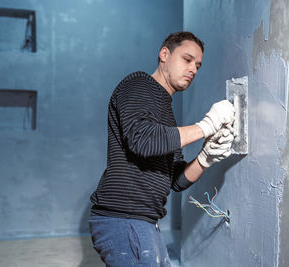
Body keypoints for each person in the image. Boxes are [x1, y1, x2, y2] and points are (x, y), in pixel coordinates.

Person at [89, 31, 236, 267]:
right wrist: (206, 126)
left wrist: (206, 158)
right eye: (187, 60)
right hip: (123, 218)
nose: (193, 70)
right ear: (164, 54)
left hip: (144, 222)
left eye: (197, 65)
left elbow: (175, 180)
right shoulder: (137, 85)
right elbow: (143, 140)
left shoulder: (166, 112)